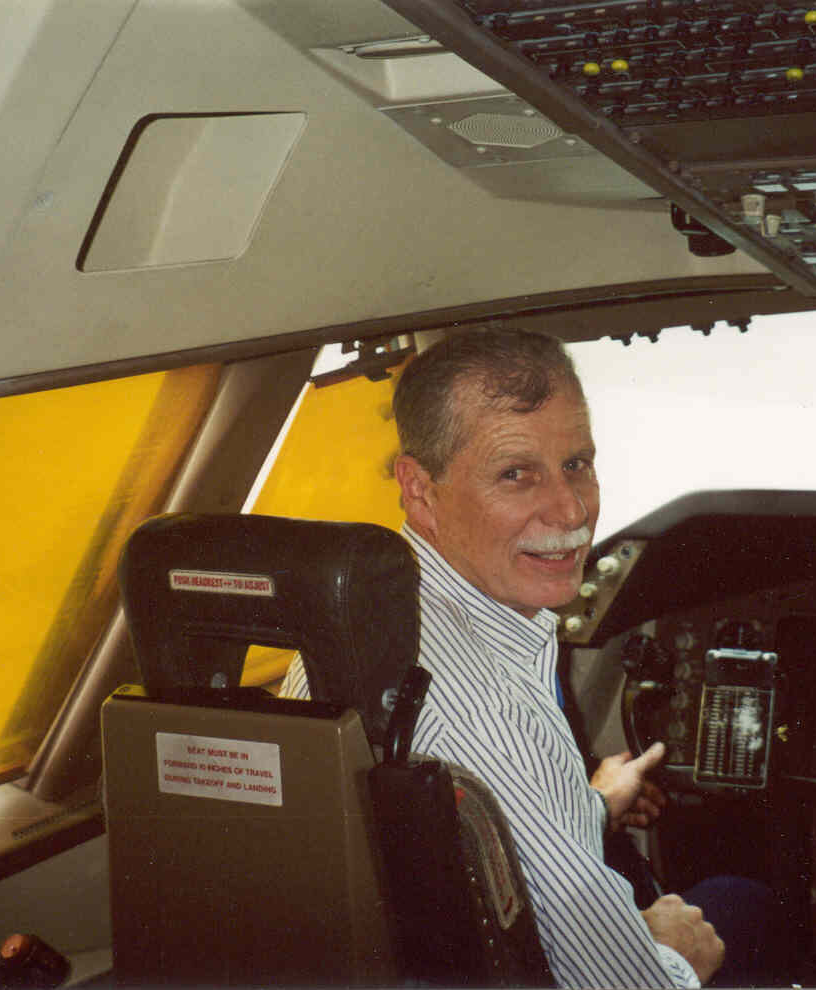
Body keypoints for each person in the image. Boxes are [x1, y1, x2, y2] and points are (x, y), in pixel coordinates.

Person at [281, 329, 758, 987]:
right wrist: (675, 957)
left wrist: (586, 804)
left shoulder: (348, 634)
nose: (571, 509)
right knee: (744, 903)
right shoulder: (490, 706)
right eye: (515, 473)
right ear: (419, 489)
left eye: (577, 464)